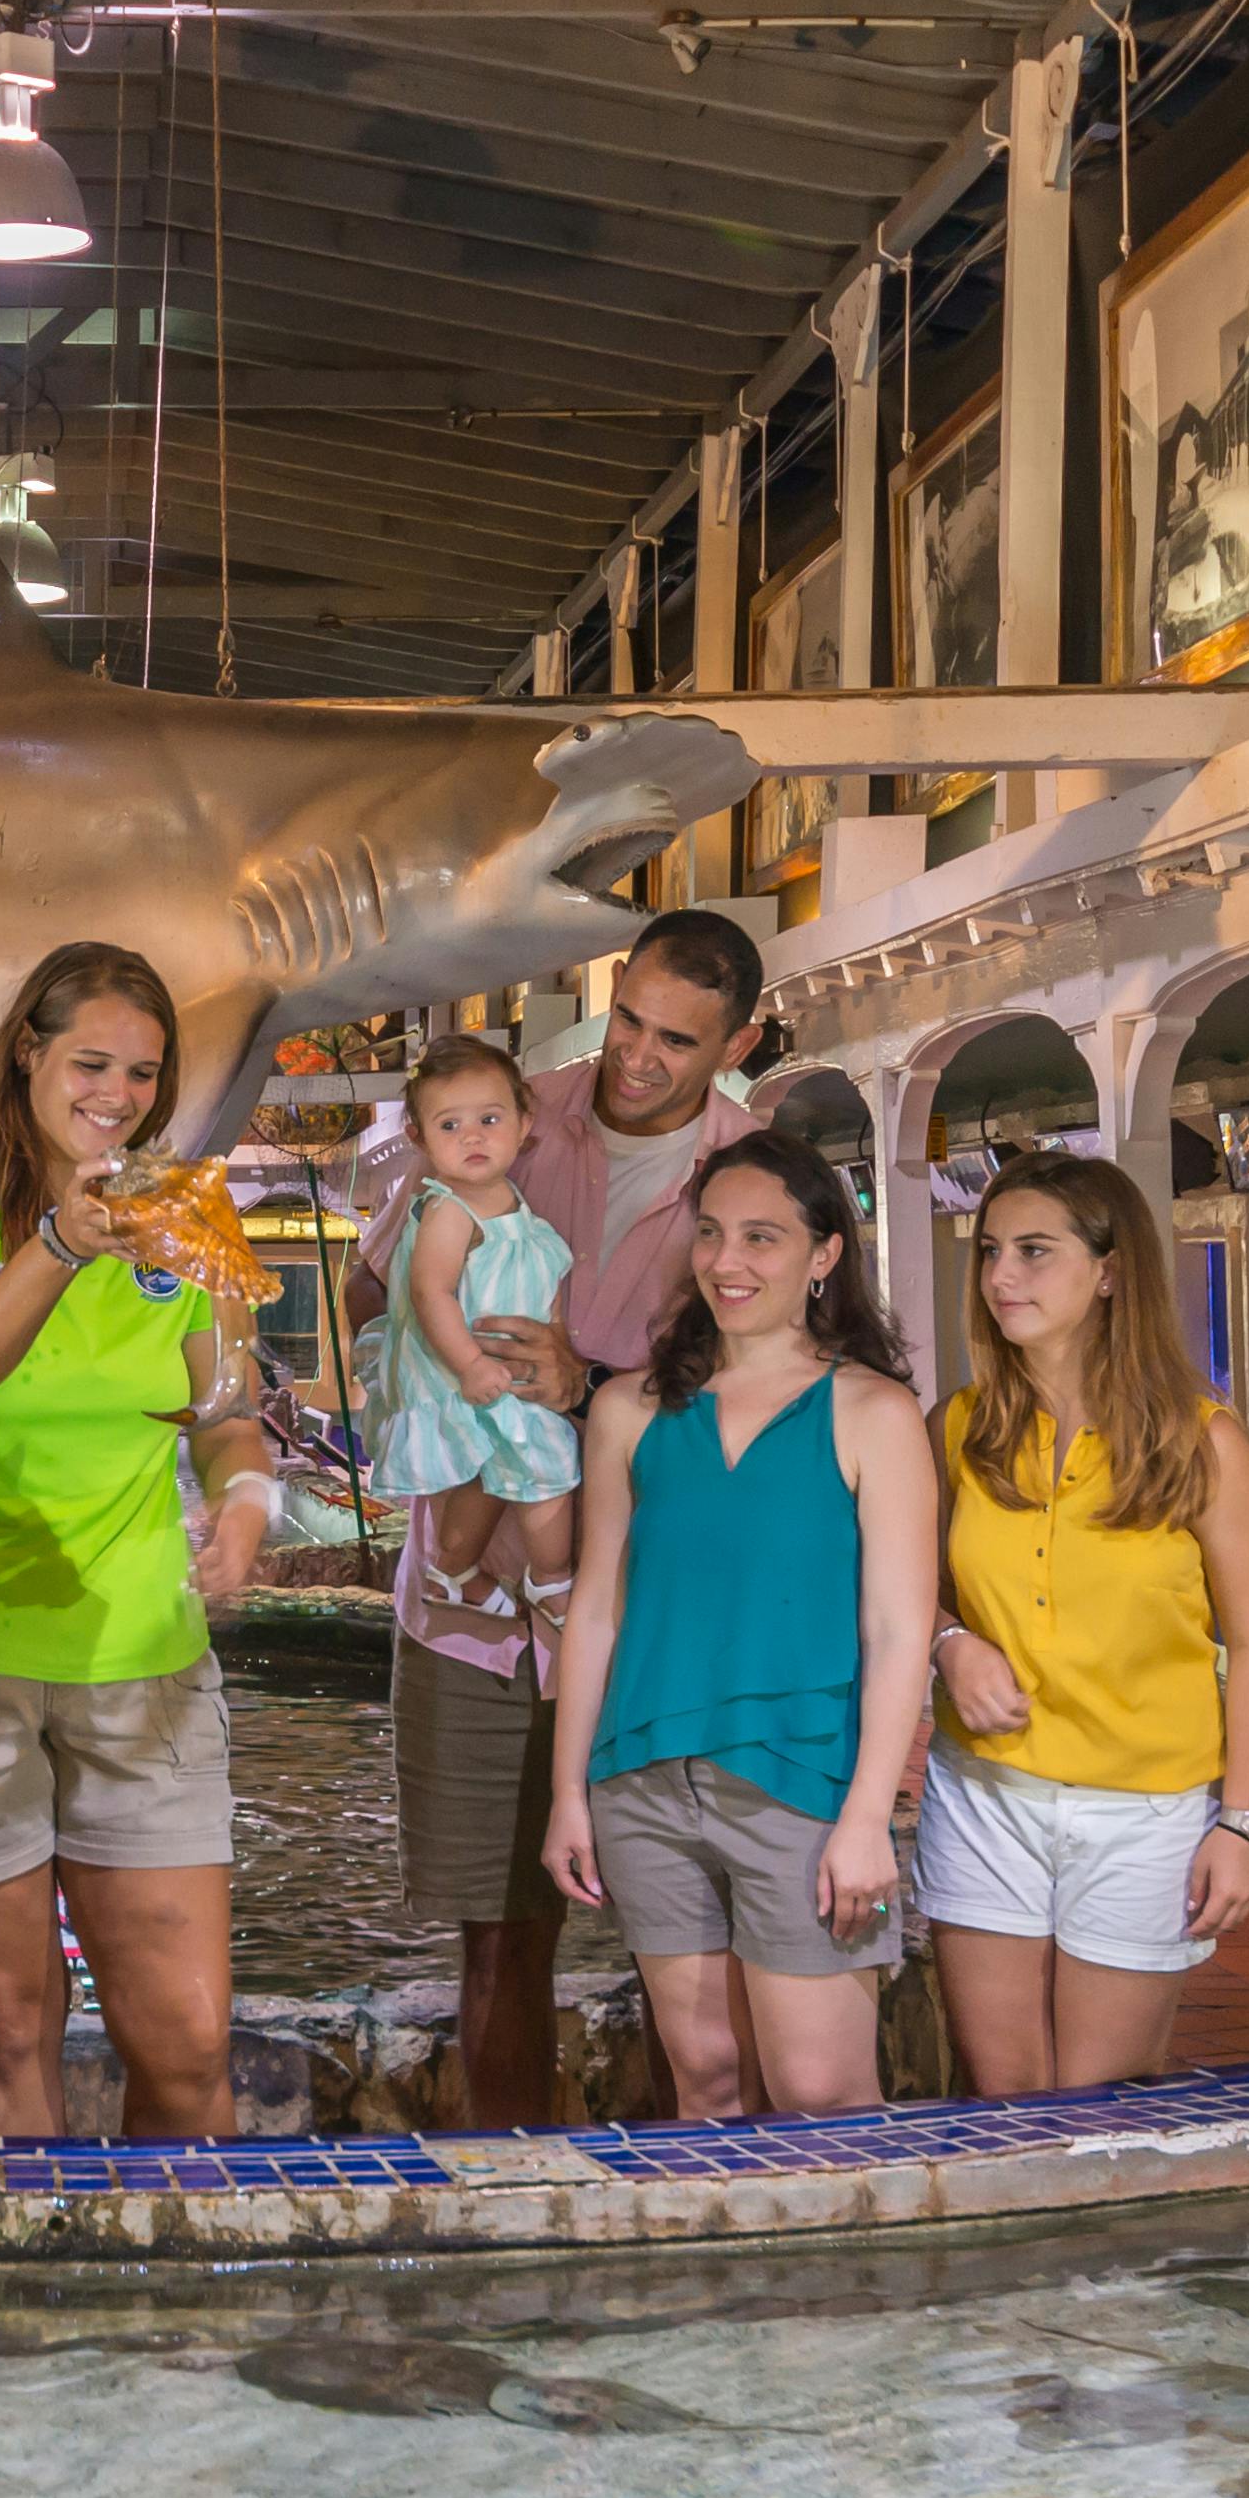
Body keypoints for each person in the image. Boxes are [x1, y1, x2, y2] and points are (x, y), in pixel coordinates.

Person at [0, 941, 268, 2138]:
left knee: (190, 2046)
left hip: (142, 1653)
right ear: (25, 1055)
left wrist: (244, 1506)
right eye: (90, 1062)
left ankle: (174, 2320)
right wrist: (61, 1242)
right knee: (7, 2020)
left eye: (145, 1073)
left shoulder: (192, 1216)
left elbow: (230, 1411)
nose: (119, 1095)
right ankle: (19, 2319)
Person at [395, 909, 765, 2128]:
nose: (637, 1058)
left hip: (660, 1611)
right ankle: (506, 2197)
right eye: (629, 1022)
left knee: (691, 1937)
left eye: (676, 1040)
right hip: (477, 1613)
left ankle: (686, 2196)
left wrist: (588, 1385)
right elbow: (391, 1289)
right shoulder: (505, 1111)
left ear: (738, 1040)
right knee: (497, 1932)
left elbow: (768, 1403)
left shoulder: (753, 1176)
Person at [544, 1132, 939, 2122]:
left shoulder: (874, 1412)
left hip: (802, 1785)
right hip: (641, 1782)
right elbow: (595, 1609)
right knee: (706, 2081)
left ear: (823, 1255)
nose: (726, 1262)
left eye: (762, 1238)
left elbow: (899, 1631)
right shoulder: (630, 1410)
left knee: (822, 2092)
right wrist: (568, 1794)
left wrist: (868, 1818)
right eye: (711, 1233)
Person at [915, 1152, 1249, 2095]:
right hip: (982, 1796)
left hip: (1146, 1814)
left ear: (1111, 1270)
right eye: (992, 1251)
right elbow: (901, 1591)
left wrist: (1243, 1829)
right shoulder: (958, 1426)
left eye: (1036, 1252)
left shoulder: (1201, 1443)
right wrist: (947, 1643)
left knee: (1100, 2099)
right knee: (1003, 2089)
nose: (1002, 1277)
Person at [363, 1032, 585, 1646]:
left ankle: (452, 1572)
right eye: (450, 1125)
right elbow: (431, 1292)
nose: (474, 1138)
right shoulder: (448, 1209)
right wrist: (467, 1364)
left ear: (523, 1122)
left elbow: (543, 1283)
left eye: (489, 1119)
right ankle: (551, 1576)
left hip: (509, 1370)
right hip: (473, 1370)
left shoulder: (512, 1202)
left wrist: (558, 1335)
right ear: (420, 1138)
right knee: (547, 1468)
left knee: (487, 1475)